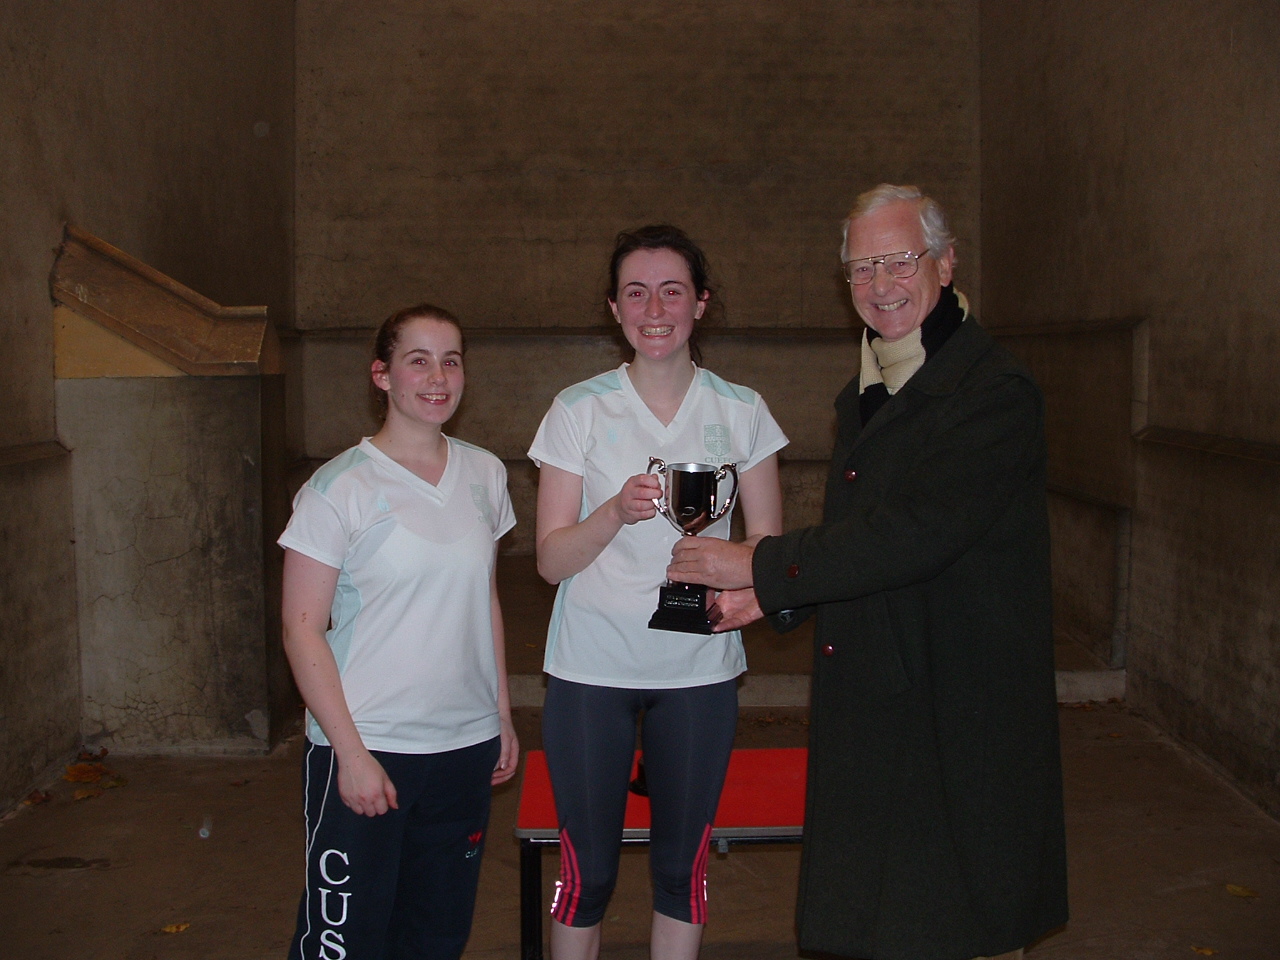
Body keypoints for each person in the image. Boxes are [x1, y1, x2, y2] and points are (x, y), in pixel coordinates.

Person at [667, 185, 1069, 960]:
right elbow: (862, 540)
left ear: (946, 265)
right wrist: (767, 597)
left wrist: (762, 560)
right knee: (886, 917)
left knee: (958, 919)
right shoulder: (869, 394)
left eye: (898, 262)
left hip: (959, 705)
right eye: (860, 269)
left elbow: (914, 536)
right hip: (885, 696)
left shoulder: (992, 393)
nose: (880, 286)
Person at [528, 224, 788, 960]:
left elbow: (768, 549)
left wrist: (724, 567)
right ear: (614, 308)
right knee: (589, 875)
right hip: (590, 672)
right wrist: (612, 513)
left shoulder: (742, 412)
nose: (655, 307)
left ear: (700, 303)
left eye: (672, 290)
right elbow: (550, 561)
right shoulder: (578, 410)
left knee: (682, 870)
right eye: (635, 291)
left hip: (699, 671)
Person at [278, 303, 519, 960]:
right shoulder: (338, 489)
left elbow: (484, 602)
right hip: (369, 751)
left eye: (452, 359)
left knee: (436, 939)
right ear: (382, 375)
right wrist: (350, 755)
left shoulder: (485, 474)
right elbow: (302, 630)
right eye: (419, 360)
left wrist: (501, 715)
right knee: (345, 944)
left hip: (464, 749)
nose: (438, 377)